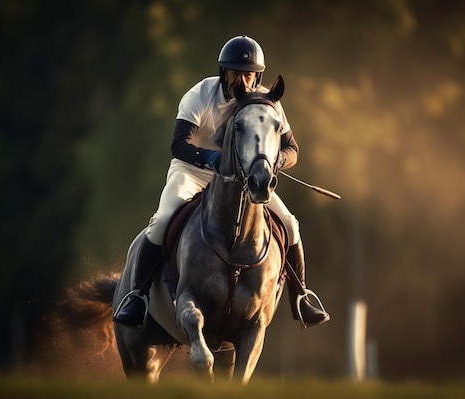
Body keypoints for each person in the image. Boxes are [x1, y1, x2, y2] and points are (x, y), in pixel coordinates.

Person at [113, 35, 330, 330]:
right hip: (193, 171)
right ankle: (137, 297)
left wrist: (274, 162)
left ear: (258, 76)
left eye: (249, 74)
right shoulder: (200, 94)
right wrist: (211, 160)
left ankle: (301, 297)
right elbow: (179, 144)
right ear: (223, 73)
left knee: (290, 224)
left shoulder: (267, 103)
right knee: (162, 219)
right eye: (235, 73)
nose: (241, 79)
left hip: (243, 179)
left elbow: (292, 149)